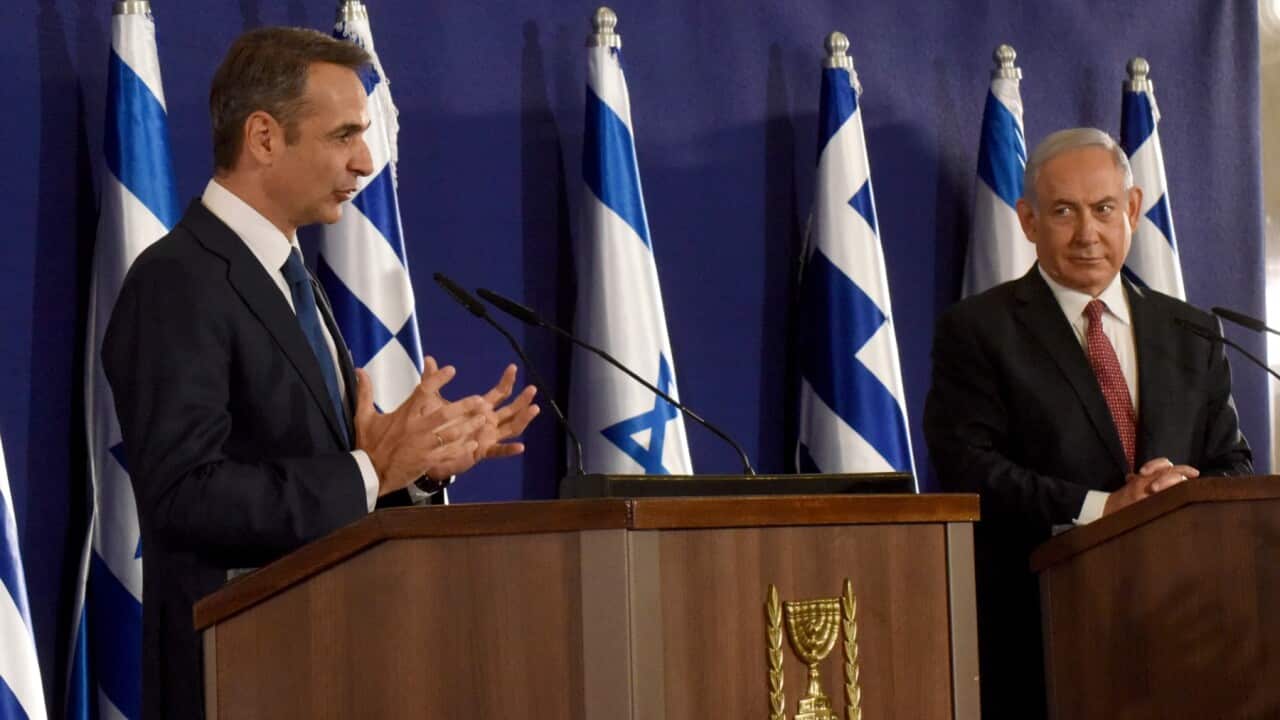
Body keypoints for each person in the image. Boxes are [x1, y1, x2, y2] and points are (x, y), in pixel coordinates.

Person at [102, 27, 539, 720]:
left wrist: (413, 470)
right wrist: (370, 470)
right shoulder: (178, 282)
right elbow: (183, 495)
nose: (366, 160)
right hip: (235, 681)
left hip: (327, 664)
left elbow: (322, 486)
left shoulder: (286, 275)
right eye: (344, 135)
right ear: (265, 137)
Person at [924, 127, 1251, 717]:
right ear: (1027, 221)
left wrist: (1179, 495)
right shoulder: (978, 330)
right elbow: (969, 469)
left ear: (1132, 209)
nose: (1086, 233)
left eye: (1103, 209)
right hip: (1044, 630)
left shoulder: (1193, 331)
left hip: (1191, 633)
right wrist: (1104, 508)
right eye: (1063, 212)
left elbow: (1233, 465)